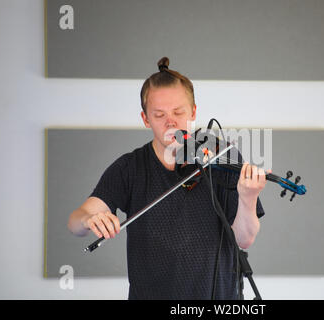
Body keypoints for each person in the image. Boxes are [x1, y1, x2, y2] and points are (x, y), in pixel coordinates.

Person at [67, 57, 267, 300]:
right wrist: (90, 219)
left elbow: (244, 240)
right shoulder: (129, 168)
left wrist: (249, 197)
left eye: (178, 112)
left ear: (193, 112)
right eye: (159, 114)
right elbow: (75, 223)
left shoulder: (222, 157)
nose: (170, 122)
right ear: (145, 118)